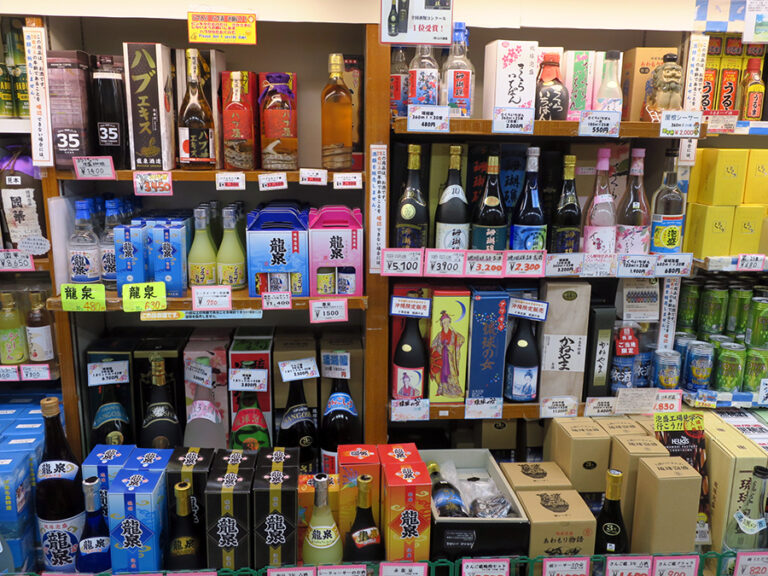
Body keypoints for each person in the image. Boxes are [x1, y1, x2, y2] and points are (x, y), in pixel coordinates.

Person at [430, 310, 464, 397]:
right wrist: (437, 350)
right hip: (441, 356)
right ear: (441, 323)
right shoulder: (439, 334)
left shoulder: (453, 334)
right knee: (441, 373)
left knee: (451, 373)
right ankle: (442, 389)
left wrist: (456, 333)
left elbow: (462, 339)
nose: (446, 324)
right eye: (444, 322)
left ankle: (455, 389)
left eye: (448, 322)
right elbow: (433, 344)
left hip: (450, 357)